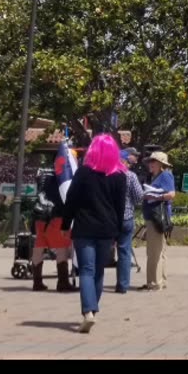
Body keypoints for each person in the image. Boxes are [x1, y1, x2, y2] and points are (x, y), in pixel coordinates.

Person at [61, 134, 128, 334]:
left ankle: (88, 312)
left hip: (85, 228)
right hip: (107, 229)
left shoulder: (83, 173)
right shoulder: (120, 176)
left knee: (86, 271)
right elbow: (120, 207)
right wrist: (117, 233)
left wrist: (65, 224)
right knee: (98, 272)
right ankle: (93, 311)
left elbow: (71, 200)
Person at [30, 156, 77, 293]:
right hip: (56, 215)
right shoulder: (64, 177)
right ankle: (62, 282)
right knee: (61, 247)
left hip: (41, 214)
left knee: (39, 246)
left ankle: (37, 282)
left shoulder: (43, 174)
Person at [140, 152, 176, 291]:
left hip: (157, 217)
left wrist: (155, 197)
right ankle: (160, 280)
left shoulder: (165, 175)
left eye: (153, 161)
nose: (150, 164)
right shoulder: (154, 176)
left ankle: (154, 283)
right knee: (159, 251)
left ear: (161, 164)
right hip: (153, 216)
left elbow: (171, 194)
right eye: (150, 161)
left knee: (154, 252)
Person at [114, 149, 143, 293]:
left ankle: (95, 283)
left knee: (101, 250)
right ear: (124, 161)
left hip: (108, 219)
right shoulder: (131, 176)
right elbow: (139, 197)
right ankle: (122, 285)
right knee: (124, 252)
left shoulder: (107, 174)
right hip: (126, 217)